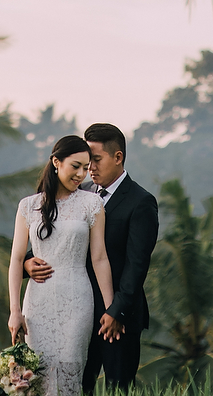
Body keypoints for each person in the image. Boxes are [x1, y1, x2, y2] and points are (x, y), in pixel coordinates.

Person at [26, 123, 159, 394]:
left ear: (118, 157)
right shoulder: (78, 191)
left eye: (96, 160)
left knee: (117, 388)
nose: (89, 169)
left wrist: (116, 311)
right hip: (75, 310)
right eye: (86, 162)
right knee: (74, 386)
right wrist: (29, 260)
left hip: (117, 317)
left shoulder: (140, 201)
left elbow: (137, 264)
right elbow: (50, 233)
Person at [9, 135, 115, 396]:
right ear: (56, 162)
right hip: (37, 302)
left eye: (86, 167)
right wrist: (14, 310)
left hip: (77, 301)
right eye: (75, 166)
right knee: (38, 374)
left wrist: (111, 306)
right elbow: (15, 259)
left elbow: (99, 258)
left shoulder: (92, 204)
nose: (81, 174)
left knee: (70, 371)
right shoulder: (28, 206)